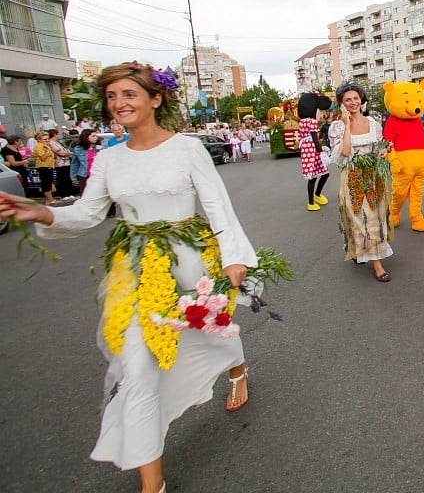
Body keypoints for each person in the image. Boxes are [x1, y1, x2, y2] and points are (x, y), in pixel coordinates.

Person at [0, 61, 258, 493]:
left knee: (211, 331)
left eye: (129, 94)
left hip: (189, 260)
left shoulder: (187, 149)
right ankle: (151, 485)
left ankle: (237, 371)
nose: (119, 103)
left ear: (155, 99)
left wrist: (234, 256)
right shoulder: (108, 158)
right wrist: (42, 211)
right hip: (136, 269)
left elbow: (217, 206)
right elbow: (87, 214)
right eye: (113, 96)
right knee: (137, 368)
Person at [328, 82, 394, 281]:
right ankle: (377, 265)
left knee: (375, 216)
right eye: (348, 99)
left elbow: (377, 150)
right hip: (352, 177)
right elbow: (345, 152)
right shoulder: (337, 127)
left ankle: (361, 250)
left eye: (356, 98)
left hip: (373, 176)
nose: (353, 102)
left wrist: (384, 151)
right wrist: (347, 124)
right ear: (341, 103)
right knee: (360, 217)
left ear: (361, 99)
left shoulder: (373, 123)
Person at [297, 92, 331, 211]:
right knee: (314, 176)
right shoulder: (311, 121)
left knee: (321, 174)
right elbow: (314, 138)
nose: (321, 113)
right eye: (320, 110)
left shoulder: (303, 121)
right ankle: (311, 202)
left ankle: (316, 196)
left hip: (308, 148)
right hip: (312, 149)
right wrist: (321, 151)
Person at [32, 128, 56, 205]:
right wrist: (48, 150)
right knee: (46, 184)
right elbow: (43, 158)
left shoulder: (45, 146)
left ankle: (49, 200)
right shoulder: (39, 146)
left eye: (48, 139)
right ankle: (50, 200)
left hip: (49, 166)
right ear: (39, 140)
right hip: (43, 167)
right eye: (45, 139)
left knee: (48, 183)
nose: (47, 140)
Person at [48, 128, 74, 198]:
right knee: (62, 179)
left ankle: (69, 193)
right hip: (60, 163)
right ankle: (64, 194)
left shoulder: (58, 142)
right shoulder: (51, 143)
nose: (58, 135)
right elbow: (60, 153)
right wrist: (70, 153)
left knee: (67, 178)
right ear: (54, 135)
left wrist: (68, 153)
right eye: (57, 134)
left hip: (66, 162)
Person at [70, 129, 94, 195]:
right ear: (86, 137)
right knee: (84, 195)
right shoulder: (78, 149)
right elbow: (75, 164)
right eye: (93, 136)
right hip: (84, 175)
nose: (96, 137)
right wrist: (73, 177)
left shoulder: (99, 148)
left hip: (96, 175)